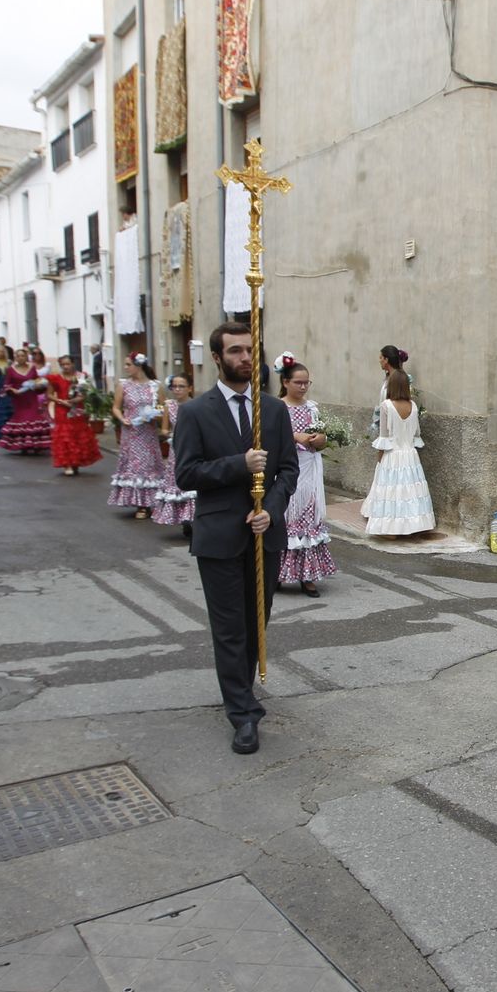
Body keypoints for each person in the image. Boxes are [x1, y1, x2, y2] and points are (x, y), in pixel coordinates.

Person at [173, 321, 298, 755]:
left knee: (254, 626)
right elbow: (186, 474)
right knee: (230, 630)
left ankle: (239, 692)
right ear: (217, 358)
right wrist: (238, 464)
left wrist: (272, 509)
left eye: (250, 350)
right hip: (218, 536)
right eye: (235, 351)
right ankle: (243, 715)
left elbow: (287, 471)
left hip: (265, 535)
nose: (245, 358)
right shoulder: (194, 412)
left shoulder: (274, 410)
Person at [277, 355, 337, 594]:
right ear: (285, 382)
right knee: (286, 520)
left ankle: (307, 574)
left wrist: (321, 439)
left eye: (306, 383)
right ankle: (279, 573)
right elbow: (270, 438)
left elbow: (320, 437)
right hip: (288, 469)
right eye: (298, 382)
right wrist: (294, 436)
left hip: (310, 469)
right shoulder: (278, 407)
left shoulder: (312, 408)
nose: (302, 387)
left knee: (309, 519)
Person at [362, 366, 435, 536]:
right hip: (410, 454)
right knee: (410, 491)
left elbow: (384, 436)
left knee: (391, 491)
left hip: (392, 454)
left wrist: (379, 457)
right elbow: (417, 434)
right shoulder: (414, 406)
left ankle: (390, 530)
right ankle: (414, 526)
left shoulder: (386, 405)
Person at [107, 353, 165, 519]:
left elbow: (163, 408)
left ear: (138, 365)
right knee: (135, 466)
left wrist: (155, 416)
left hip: (148, 432)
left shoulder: (155, 386)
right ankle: (140, 504)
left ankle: (150, 501)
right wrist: (121, 418)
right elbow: (116, 407)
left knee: (149, 465)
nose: (125, 368)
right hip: (131, 432)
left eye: (128, 365)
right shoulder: (123, 385)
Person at [152, 373, 198, 535]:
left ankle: (194, 517)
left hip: (193, 448)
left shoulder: (196, 405)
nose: (177, 390)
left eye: (181, 386)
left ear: (190, 388)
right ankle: (184, 518)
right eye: (174, 387)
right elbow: (164, 429)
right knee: (178, 482)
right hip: (175, 450)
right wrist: (169, 435)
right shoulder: (169, 406)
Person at [46, 355, 102, 476]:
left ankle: (76, 461)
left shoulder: (81, 377)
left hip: (77, 409)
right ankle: (66, 464)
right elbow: (49, 394)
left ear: (73, 364)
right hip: (61, 409)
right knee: (64, 435)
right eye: (63, 365)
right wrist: (60, 401)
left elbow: (83, 394)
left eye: (68, 364)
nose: (66, 367)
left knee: (77, 434)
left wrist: (73, 401)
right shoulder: (55, 378)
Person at [0, 350, 51, 454]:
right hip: (19, 399)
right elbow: (6, 385)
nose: (21, 358)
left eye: (23, 356)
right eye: (18, 356)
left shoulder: (32, 368)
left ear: (26, 357)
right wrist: (12, 390)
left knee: (33, 418)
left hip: (31, 397)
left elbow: (37, 380)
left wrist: (39, 385)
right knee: (22, 419)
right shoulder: (10, 370)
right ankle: (23, 444)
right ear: (15, 358)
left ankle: (37, 444)